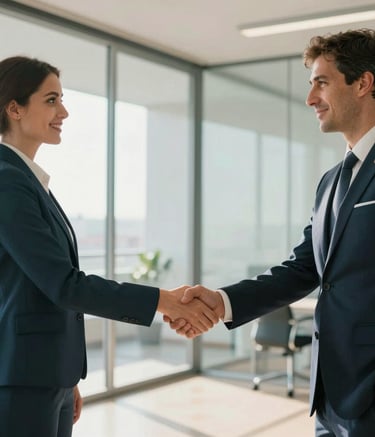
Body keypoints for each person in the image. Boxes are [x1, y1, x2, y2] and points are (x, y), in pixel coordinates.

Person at [168, 29, 375, 436]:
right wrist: (221, 301)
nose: (310, 98)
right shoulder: (331, 181)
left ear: (365, 83)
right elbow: (303, 269)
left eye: (322, 82)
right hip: (330, 394)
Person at [0, 55, 219, 437]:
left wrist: (67, 375)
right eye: (51, 100)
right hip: (21, 381)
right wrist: (163, 300)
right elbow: (64, 284)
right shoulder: (8, 182)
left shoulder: (30, 182)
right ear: (14, 108)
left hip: (47, 374)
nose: (64, 111)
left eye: (62, 99)